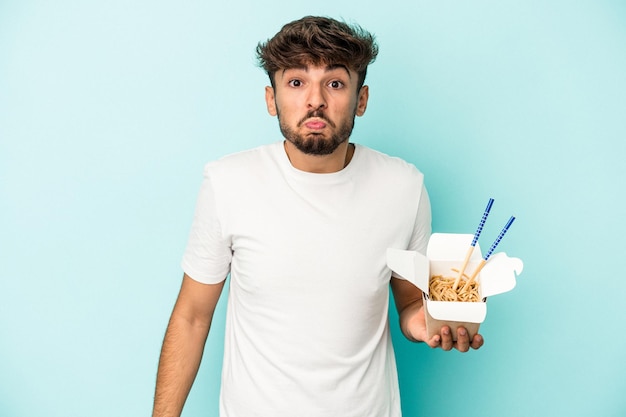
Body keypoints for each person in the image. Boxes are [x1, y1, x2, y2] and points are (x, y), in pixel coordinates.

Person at [152, 15, 483, 417]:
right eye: (296, 82)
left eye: (335, 83)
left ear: (361, 99)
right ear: (271, 98)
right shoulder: (228, 183)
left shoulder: (404, 187)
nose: (315, 100)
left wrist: (435, 326)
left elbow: (411, 303)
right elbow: (191, 316)